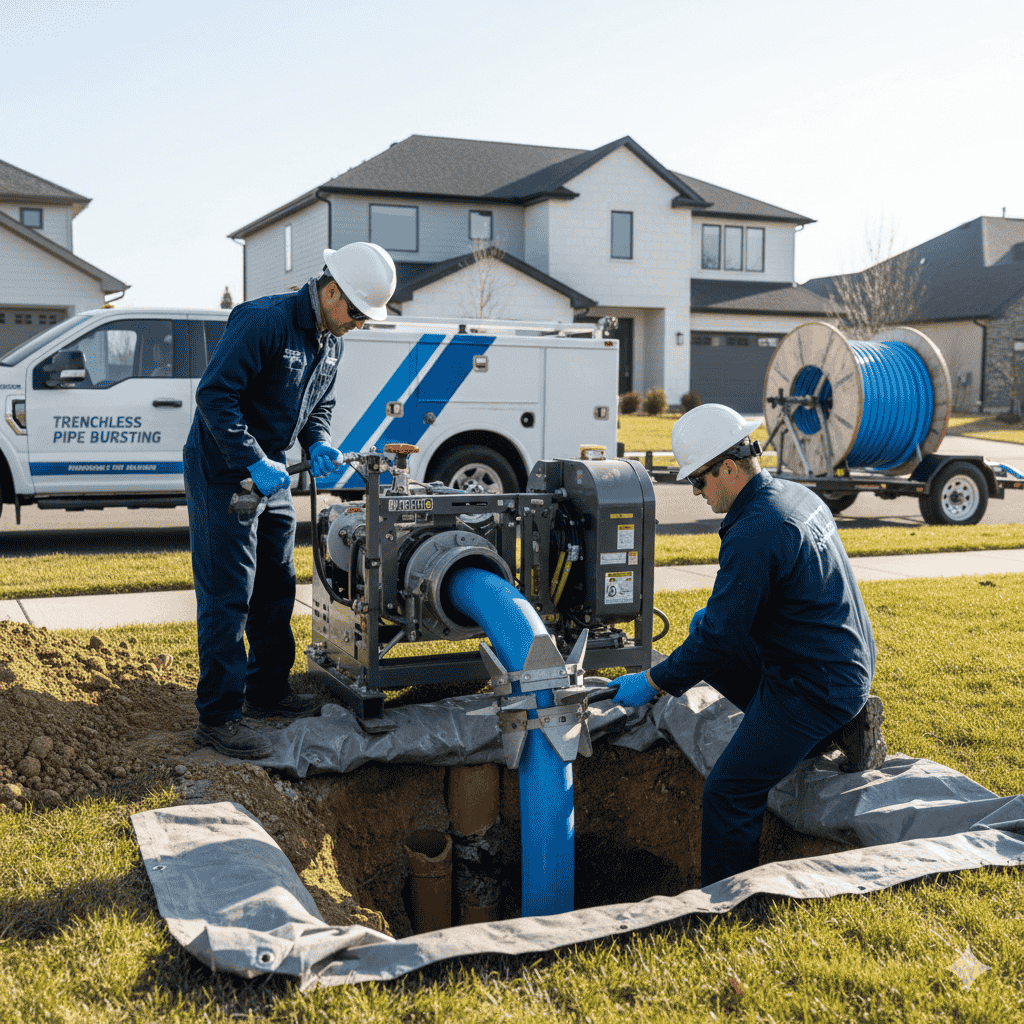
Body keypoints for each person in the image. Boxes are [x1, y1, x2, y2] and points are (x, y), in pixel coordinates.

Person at [614, 403, 885, 887]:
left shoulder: (758, 529)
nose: (697, 493)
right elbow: (724, 624)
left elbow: (719, 642)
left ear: (729, 468)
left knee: (728, 791)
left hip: (814, 683)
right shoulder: (790, 496)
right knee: (703, 624)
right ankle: (837, 729)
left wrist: (653, 681)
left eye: (699, 481)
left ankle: (729, 903)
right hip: (837, 658)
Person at [185, 242, 397, 759]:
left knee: (277, 586)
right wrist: (253, 459)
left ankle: (267, 690)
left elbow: (319, 404)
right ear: (331, 291)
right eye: (357, 312)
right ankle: (219, 716)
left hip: (273, 476)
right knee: (229, 592)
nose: (360, 324)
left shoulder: (332, 341)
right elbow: (215, 395)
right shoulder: (264, 322)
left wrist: (318, 441)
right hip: (225, 472)